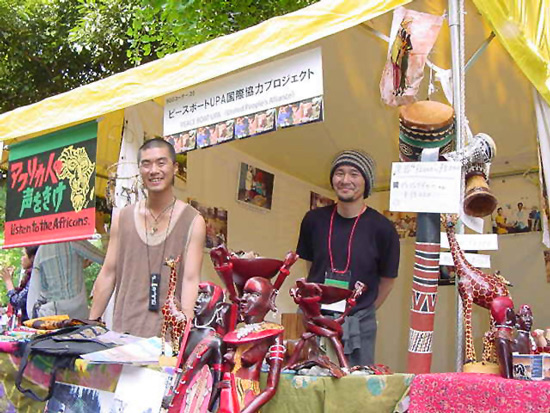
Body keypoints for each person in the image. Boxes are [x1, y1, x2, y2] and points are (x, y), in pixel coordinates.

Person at [89, 137, 206, 337]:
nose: (154, 170)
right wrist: (89, 325)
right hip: (123, 332)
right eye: (146, 164)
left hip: (166, 339)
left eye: (161, 162)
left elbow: (190, 279)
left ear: (175, 168)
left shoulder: (193, 221)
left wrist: (184, 333)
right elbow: (108, 273)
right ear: (140, 169)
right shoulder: (122, 217)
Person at [296, 150, 400, 366]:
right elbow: (311, 265)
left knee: (356, 387)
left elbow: (388, 280)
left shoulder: (383, 228)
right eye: (340, 173)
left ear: (366, 182)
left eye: (354, 174)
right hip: (315, 318)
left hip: (359, 322)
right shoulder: (313, 220)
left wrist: (361, 309)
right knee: (310, 379)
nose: (345, 180)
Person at [27, 241, 105, 320]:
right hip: (77, 310)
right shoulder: (74, 241)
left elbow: (41, 288)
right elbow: (104, 259)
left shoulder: (41, 251)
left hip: (53, 312)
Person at [1, 246, 39, 322]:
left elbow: (18, 301)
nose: (21, 258)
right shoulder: (31, 276)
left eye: (23, 255)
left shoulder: (35, 277)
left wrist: (8, 282)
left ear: (32, 257)